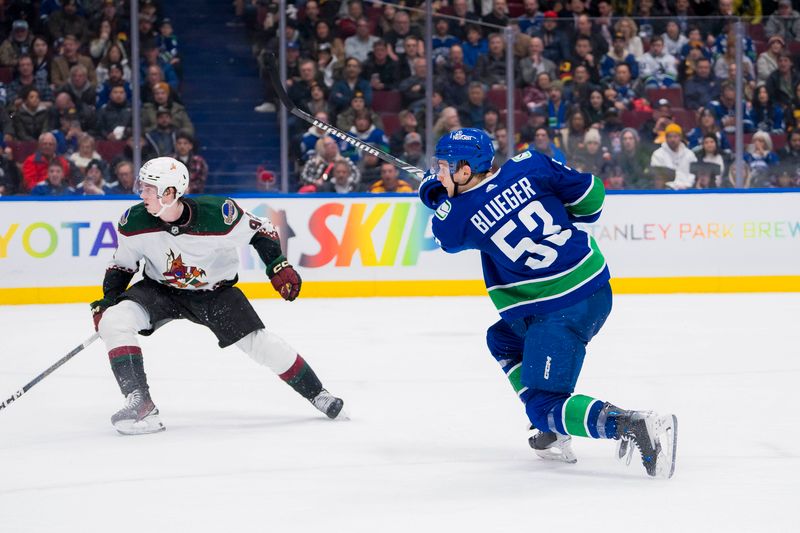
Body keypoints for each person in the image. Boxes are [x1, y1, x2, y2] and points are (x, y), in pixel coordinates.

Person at [418, 128, 677, 478]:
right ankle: (555, 429)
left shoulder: (459, 215)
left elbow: (445, 233)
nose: (439, 172)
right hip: (592, 286)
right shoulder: (530, 163)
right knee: (503, 339)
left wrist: (439, 196)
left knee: (543, 407)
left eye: (445, 166)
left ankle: (632, 425)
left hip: (559, 310)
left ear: (466, 171)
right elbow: (592, 199)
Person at [90, 157, 346, 435]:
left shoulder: (218, 215)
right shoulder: (134, 222)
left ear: (171, 192)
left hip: (214, 295)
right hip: (160, 291)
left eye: (150, 189)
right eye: (143, 187)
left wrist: (277, 265)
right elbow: (122, 265)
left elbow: (263, 230)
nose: (143, 194)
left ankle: (318, 393)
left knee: (260, 344)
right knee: (114, 320)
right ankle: (141, 404)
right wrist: (109, 301)